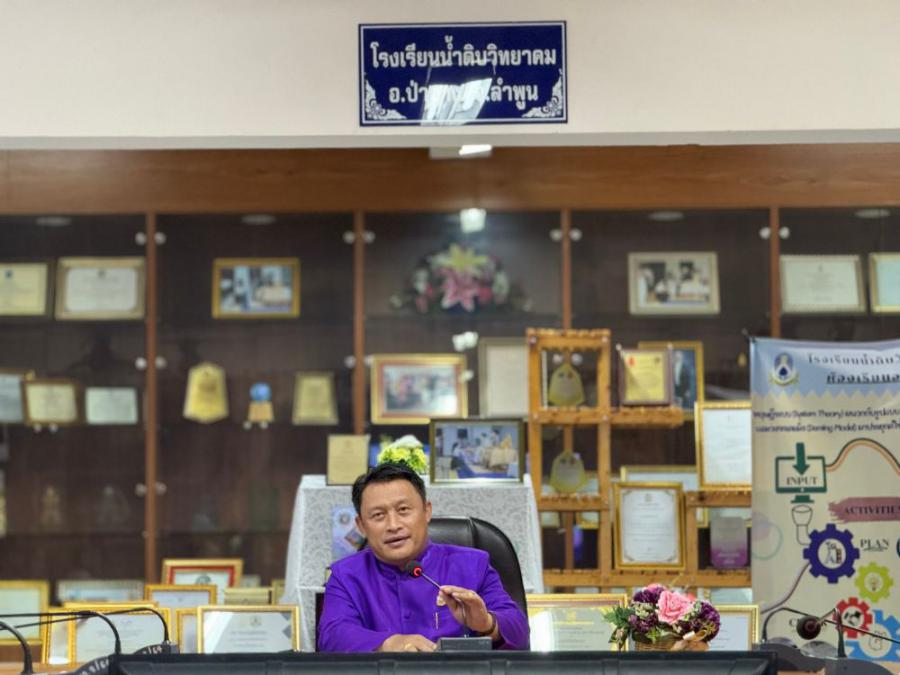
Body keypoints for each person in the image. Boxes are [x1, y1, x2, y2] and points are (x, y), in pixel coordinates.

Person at [318, 462, 529, 652]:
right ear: (361, 526)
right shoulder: (345, 575)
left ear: (427, 511)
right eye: (378, 515)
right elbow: (332, 636)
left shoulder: (473, 565)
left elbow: (519, 632)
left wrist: (487, 623)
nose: (393, 525)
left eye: (403, 510)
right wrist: (389, 643)